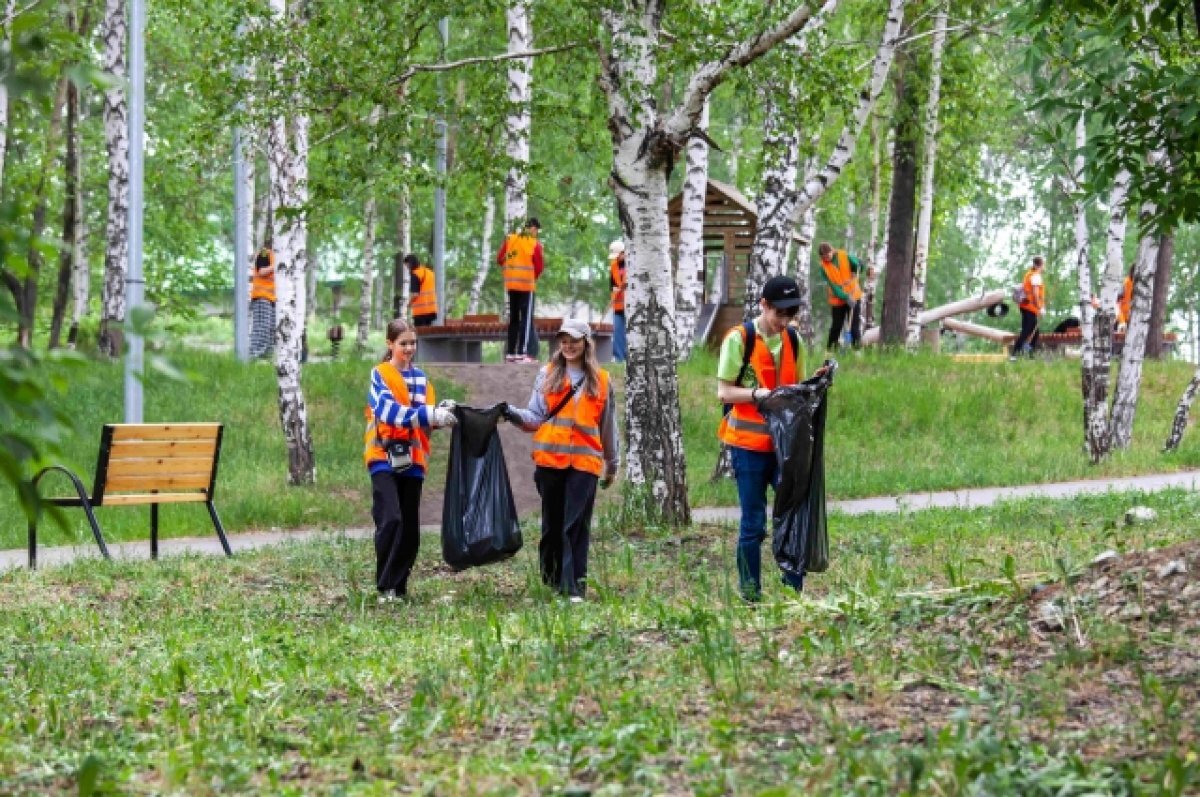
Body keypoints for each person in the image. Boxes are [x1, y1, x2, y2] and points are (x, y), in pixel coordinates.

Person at [716, 275, 826, 603]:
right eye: (779, 313)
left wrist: (814, 383)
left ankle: (793, 592)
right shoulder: (740, 339)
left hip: (786, 450)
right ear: (763, 305)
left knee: (793, 514)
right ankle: (751, 595)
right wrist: (758, 394)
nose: (784, 321)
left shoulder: (793, 340)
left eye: (790, 315)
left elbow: (795, 391)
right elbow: (724, 391)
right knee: (753, 523)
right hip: (748, 447)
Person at [505, 318, 619, 602]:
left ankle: (574, 589)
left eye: (574, 341)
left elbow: (608, 424)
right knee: (552, 525)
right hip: (550, 461)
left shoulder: (601, 380)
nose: (568, 346)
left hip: (585, 463)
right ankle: (552, 578)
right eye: (564, 341)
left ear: (586, 343)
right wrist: (509, 413)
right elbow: (534, 416)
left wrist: (612, 462)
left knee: (576, 526)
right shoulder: (547, 374)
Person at [364, 318, 457, 602]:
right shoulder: (379, 374)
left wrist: (441, 414)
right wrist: (428, 415)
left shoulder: (421, 379)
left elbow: (425, 420)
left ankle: (399, 587)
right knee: (390, 518)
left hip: (413, 460)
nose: (409, 348)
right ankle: (384, 585)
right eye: (403, 343)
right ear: (390, 344)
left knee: (410, 528)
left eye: (413, 343)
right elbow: (388, 411)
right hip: (382, 455)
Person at [496, 217, 544, 363]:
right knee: (526, 320)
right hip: (527, 286)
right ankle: (522, 353)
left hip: (511, 285)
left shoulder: (511, 239)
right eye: (537, 231)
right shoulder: (534, 244)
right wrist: (532, 277)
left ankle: (510, 353)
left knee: (514, 320)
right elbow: (539, 266)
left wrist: (511, 268)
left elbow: (500, 259)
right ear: (533, 228)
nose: (536, 234)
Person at [818, 242, 864, 349]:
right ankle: (830, 351)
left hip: (854, 295)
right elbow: (833, 287)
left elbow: (858, 267)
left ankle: (856, 350)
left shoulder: (844, 256)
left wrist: (860, 265)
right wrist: (845, 297)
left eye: (828, 255)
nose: (827, 258)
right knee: (836, 326)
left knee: (854, 326)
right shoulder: (823, 268)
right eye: (824, 256)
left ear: (832, 250)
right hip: (838, 300)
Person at [1010, 255, 1046, 360]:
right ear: (1041, 265)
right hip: (1030, 307)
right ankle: (1014, 354)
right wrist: (1040, 308)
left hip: (1025, 306)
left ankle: (1029, 353)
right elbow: (1035, 294)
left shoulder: (1029, 274)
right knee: (1026, 330)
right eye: (1044, 265)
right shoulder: (1036, 276)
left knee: (1035, 331)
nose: (1044, 267)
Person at [249, 247, 276, 358]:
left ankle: (266, 356)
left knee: (272, 328)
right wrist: (276, 266)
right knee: (262, 327)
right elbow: (261, 271)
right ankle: (253, 355)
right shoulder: (265, 253)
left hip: (273, 299)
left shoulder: (280, 255)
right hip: (262, 296)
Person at [404, 254, 438, 327]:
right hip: (431, 309)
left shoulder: (415, 274)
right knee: (428, 334)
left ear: (410, 264)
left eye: (407, 266)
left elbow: (415, 295)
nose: (407, 268)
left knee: (420, 336)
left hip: (421, 312)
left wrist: (409, 304)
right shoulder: (430, 272)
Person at [608, 240, 627, 362]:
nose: (617, 258)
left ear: (623, 253)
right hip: (618, 305)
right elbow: (612, 285)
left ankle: (630, 358)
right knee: (618, 332)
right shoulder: (613, 266)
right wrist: (616, 291)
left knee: (630, 333)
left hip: (631, 305)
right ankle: (619, 359)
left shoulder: (633, 264)